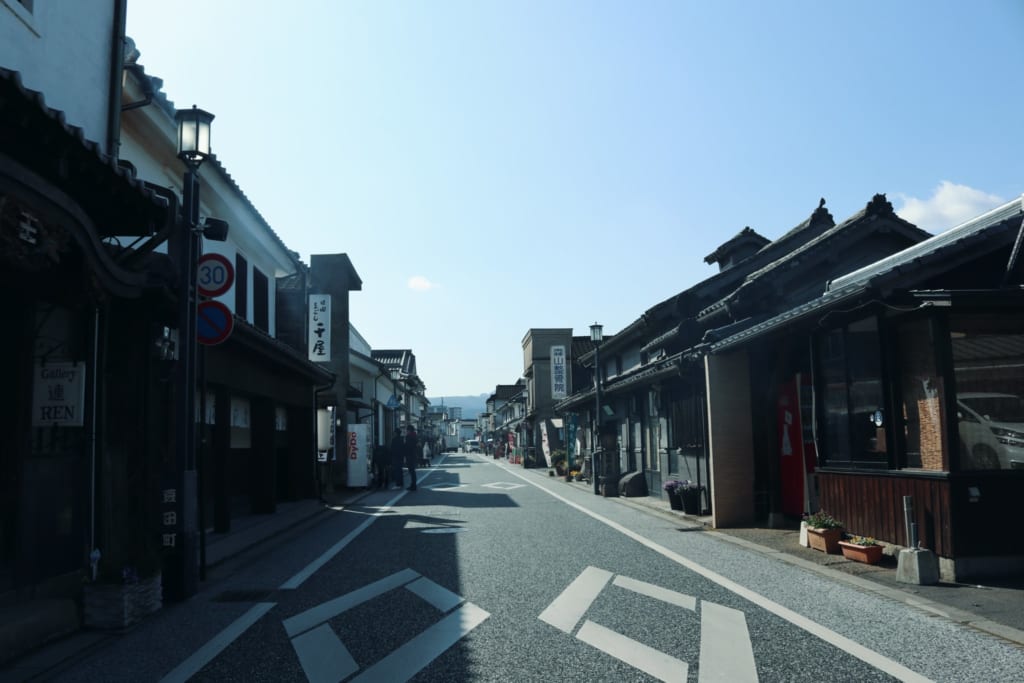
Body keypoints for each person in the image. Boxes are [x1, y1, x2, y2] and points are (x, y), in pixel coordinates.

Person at [404, 425, 419, 491]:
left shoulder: (409, 437)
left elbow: (407, 447)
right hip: (414, 455)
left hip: (409, 456)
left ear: (409, 430)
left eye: (407, 430)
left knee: (411, 471)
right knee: (413, 471)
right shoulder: (415, 436)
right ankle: (413, 485)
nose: (406, 431)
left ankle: (413, 486)